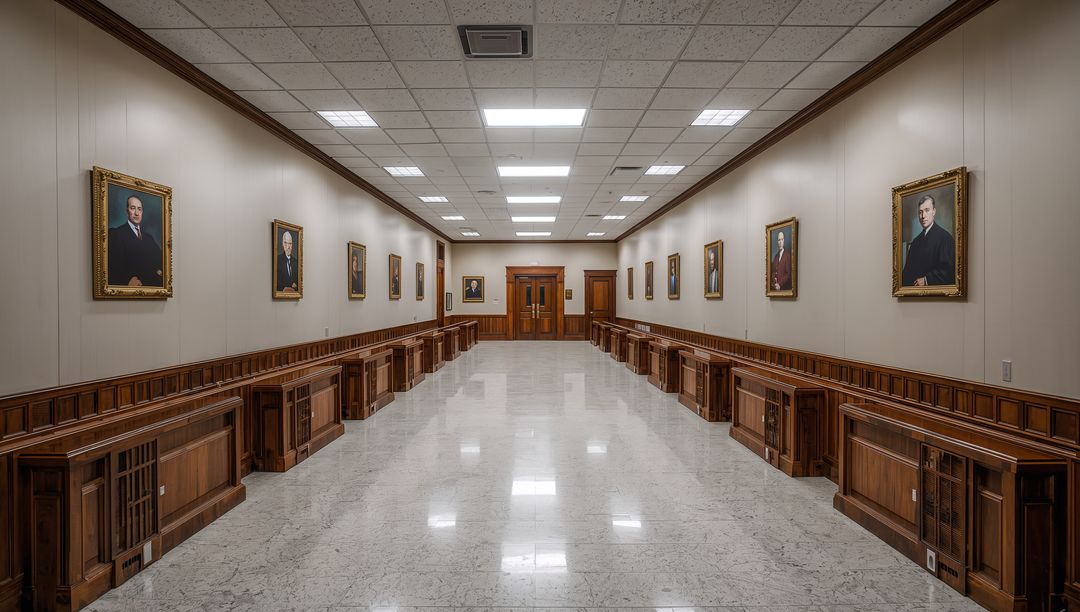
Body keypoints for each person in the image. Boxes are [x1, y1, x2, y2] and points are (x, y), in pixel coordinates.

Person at [108, 195, 163, 287]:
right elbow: (112, 267)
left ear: (142, 212)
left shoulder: (148, 238)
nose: (137, 213)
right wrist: (126, 282)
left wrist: (159, 270)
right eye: (133, 208)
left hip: (151, 291)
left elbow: (161, 261)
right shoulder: (116, 234)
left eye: (139, 209)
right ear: (127, 211)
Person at [902, 194, 955, 286]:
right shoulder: (915, 242)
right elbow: (906, 272)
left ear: (934, 212)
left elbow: (948, 272)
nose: (923, 216)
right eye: (920, 212)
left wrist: (927, 280)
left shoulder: (945, 238)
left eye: (927, 210)